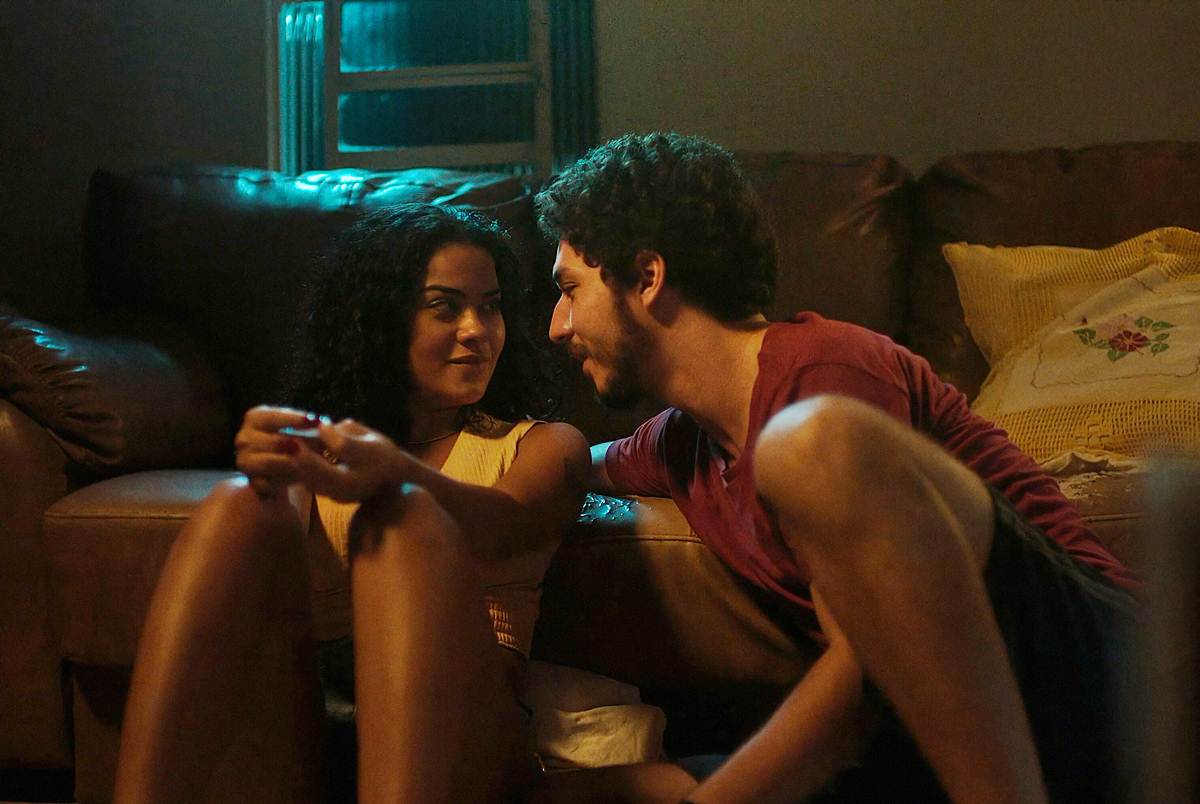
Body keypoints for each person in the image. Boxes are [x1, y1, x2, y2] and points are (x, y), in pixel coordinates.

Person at [533, 132, 1140, 803]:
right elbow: (573, 464)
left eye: (570, 289)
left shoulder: (823, 371)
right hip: (921, 736)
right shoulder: (682, 443)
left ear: (647, 278)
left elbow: (860, 674)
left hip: (1096, 679)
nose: (558, 325)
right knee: (571, 796)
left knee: (810, 445)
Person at [113, 203, 590, 804]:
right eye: (446, 307)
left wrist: (395, 475)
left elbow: (506, 527)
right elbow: (265, 573)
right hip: (311, 731)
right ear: (382, 319)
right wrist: (268, 466)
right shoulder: (329, 450)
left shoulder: (545, 445)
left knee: (404, 520)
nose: (477, 330)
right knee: (237, 504)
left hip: (461, 737)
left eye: (490, 306)